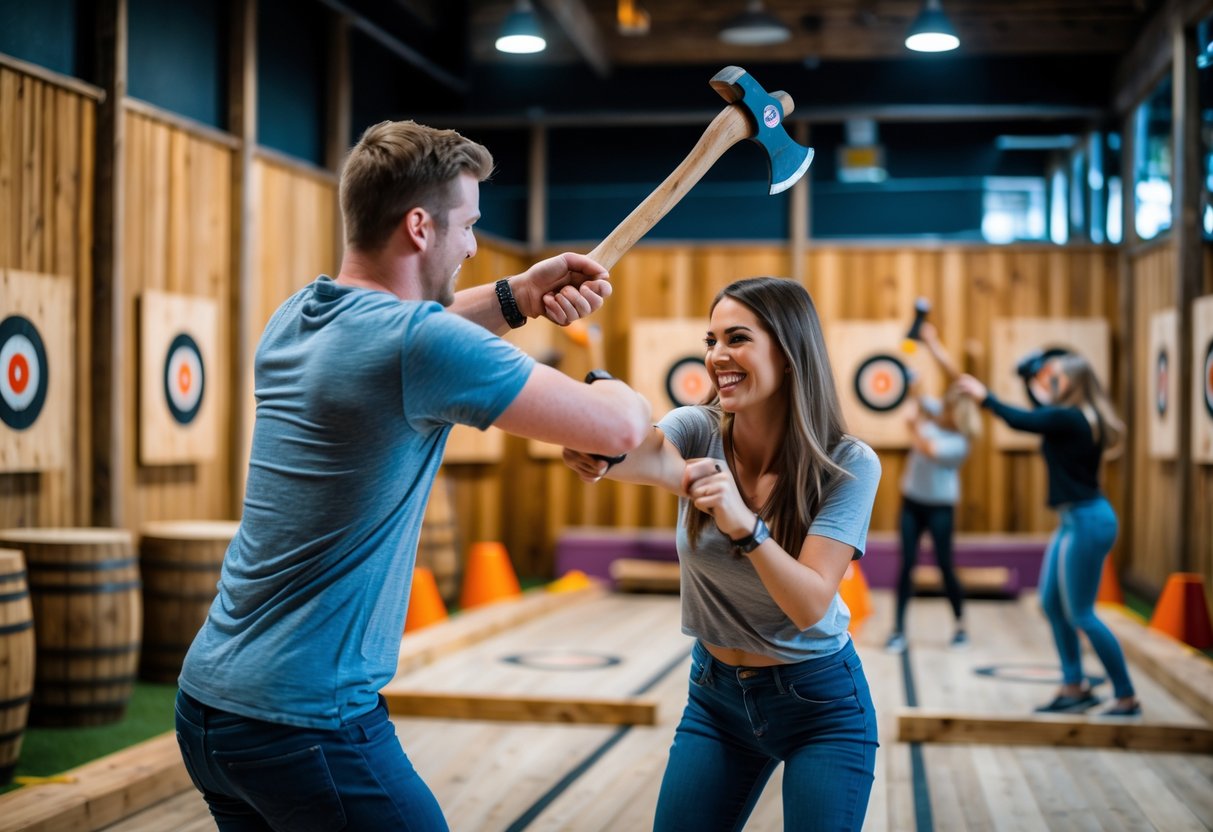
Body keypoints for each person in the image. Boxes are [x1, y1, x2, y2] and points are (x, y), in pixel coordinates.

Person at [174, 120, 652, 831]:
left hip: (211, 708)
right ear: (421, 227)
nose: (472, 246)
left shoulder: (299, 314)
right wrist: (617, 388)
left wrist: (518, 294)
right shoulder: (420, 343)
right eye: (468, 227)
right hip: (309, 720)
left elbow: (410, 328)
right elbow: (615, 429)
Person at [564, 277, 881, 831]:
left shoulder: (848, 463)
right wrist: (605, 439)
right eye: (710, 340)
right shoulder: (696, 428)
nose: (716, 357)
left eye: (736, 339)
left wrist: (746, 527)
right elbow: (645, 454)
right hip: (716, 699)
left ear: (788, 352)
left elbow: (810, 604)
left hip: (820, 705)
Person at [955, 355, 1139, 717]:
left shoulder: (1069, 418)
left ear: (1072, 382)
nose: (1049, 381)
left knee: (1082, 613)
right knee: (1052, 604)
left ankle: (1126, 695)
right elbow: (1041, 412)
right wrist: (1027, 380)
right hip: (1076, 519)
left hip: (1088, 520)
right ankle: (1074, 686)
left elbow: (1023, 419)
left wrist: (983, 395)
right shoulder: (1077, 415)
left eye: (1056, 377)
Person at [885, 322, 981, 654]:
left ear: (959, 413)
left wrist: (913, 428)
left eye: (951, 405)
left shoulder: (961, 439)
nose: (945, 405)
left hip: (940, 507)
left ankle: (961, 626)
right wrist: (927, 351)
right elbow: (946, 384)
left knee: (944, 565)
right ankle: (898, 631)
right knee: (907, 564)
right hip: (912, 500)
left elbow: (930, 450)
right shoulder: (942, 413)